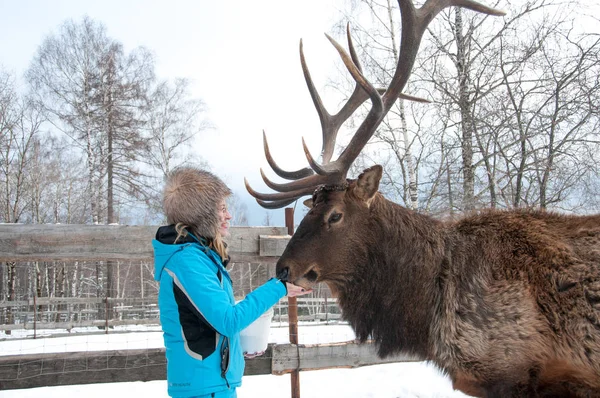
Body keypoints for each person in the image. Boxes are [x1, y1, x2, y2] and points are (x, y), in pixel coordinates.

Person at [153, 166, 309, 398]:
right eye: (222, 209)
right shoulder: (188, 263)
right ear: (202, 215)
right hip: (204, 388)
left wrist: (235, 347)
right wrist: (279, 288)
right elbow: (228, 320)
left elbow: (208, 323)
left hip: (212, 383)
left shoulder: (199, 258)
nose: (228, 216)